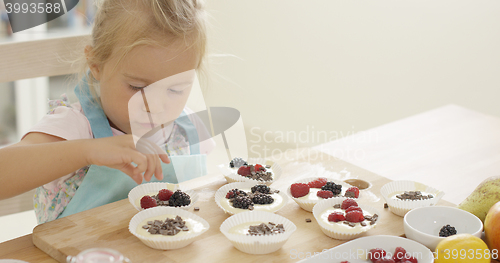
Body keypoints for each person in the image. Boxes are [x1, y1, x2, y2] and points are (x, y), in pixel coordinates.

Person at [0, 0, 215, 224]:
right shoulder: (75, 126)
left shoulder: (187, 128)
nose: (155, 106)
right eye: (138, 87)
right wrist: (87, 151)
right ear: (96, 65)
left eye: (175, 89)